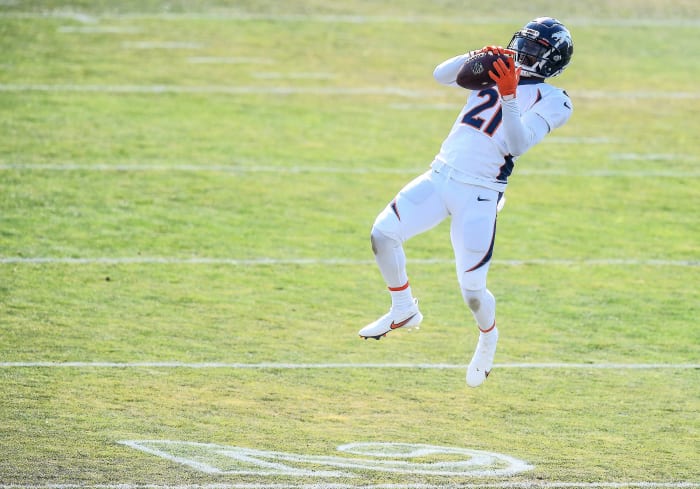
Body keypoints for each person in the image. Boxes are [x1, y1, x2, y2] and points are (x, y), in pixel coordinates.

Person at [358, 17, 574, 387]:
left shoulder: (555, 100)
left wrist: (508, 95)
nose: (524, 52)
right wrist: (477, 54)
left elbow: (517, 144)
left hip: (479, 194)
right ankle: (403, 309)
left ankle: (488, 336)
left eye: (536, 49)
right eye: (523, 43)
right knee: (382, 234)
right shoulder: (495, 70)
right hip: (440, 175)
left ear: (553, 60)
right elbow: (440, 75)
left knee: (472, 291)